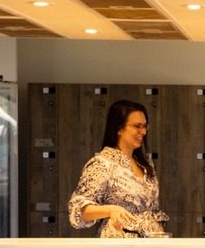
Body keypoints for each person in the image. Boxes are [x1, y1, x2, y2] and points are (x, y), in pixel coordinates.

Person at [68, 99, 168, 238]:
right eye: (137, 126)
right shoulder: (102, 164)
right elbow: (78, 209)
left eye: (145, 126)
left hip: (151, 242)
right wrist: (110, 210)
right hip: (119, 243)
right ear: (119, 129)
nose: (143, 131)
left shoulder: (145, 164)